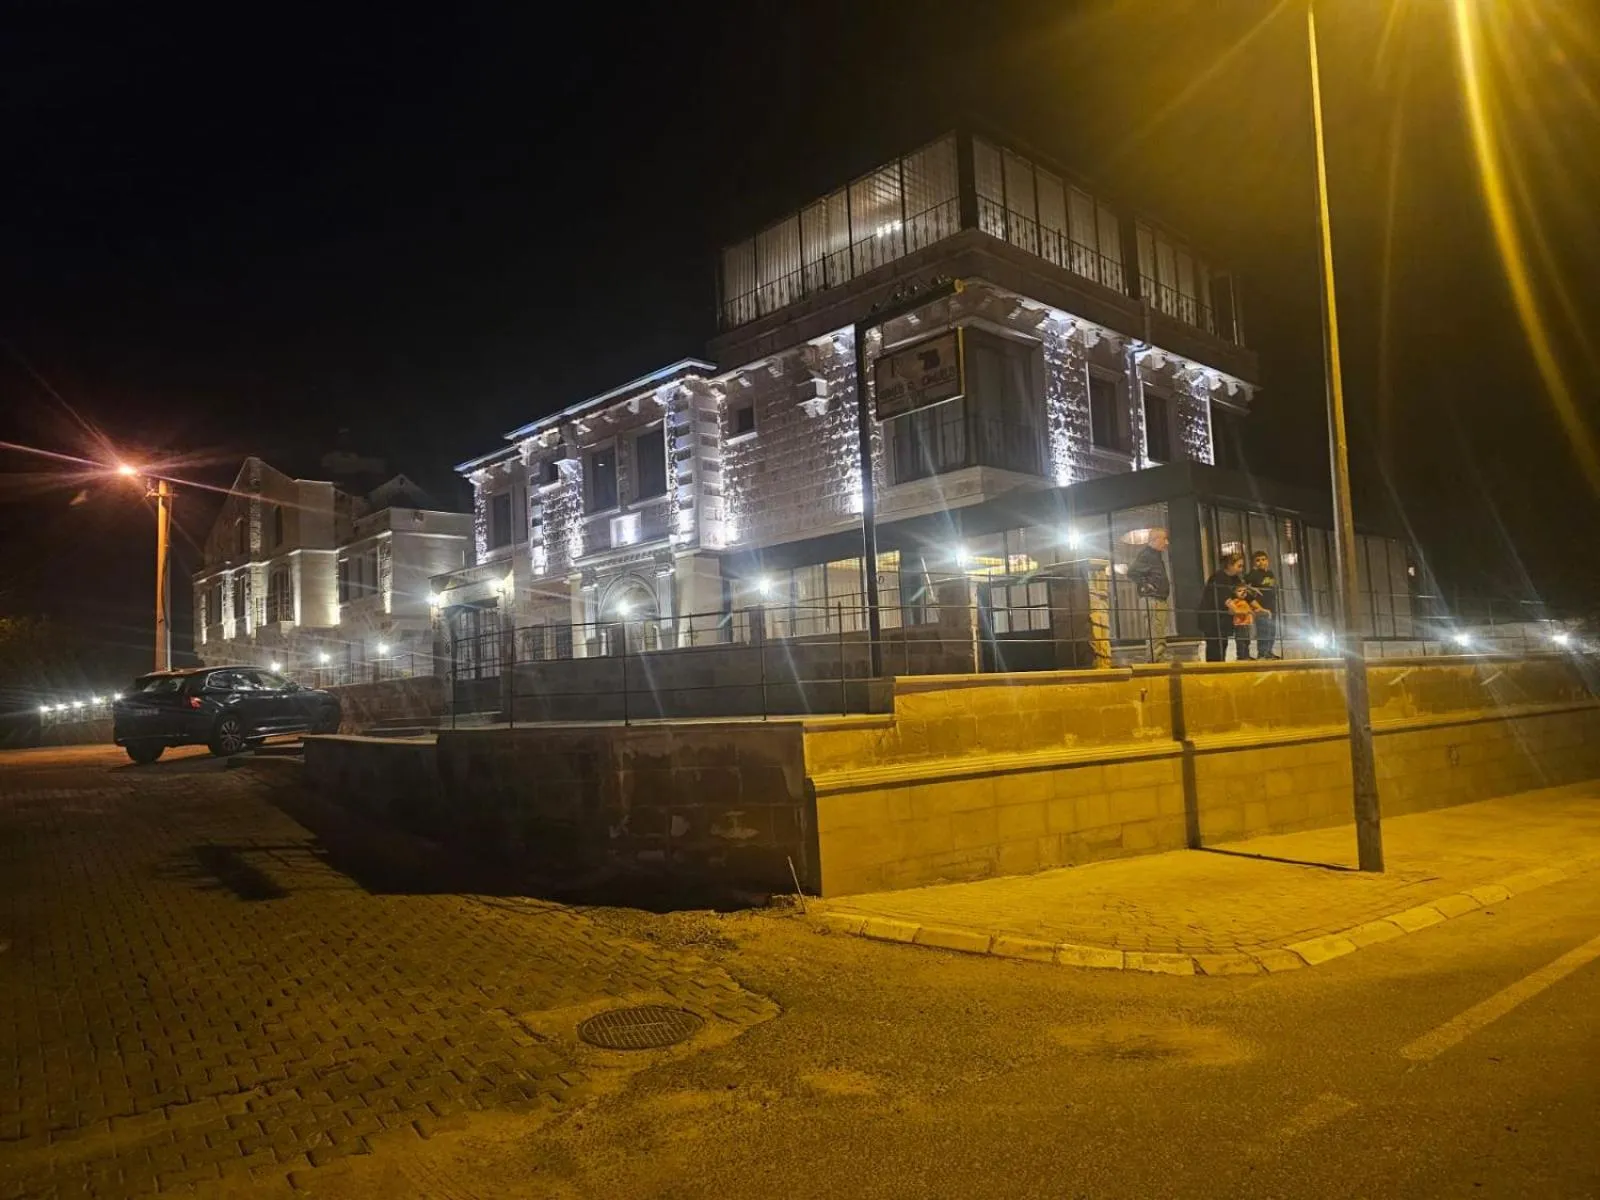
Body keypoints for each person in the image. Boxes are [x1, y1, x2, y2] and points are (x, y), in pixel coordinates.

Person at [1128, 527, 1171, 662]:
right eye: (1164, 539)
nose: (1167, 542)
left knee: (1157, 630)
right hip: (1153, 599)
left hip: (1157, 598)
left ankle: (1156, 659)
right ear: (1155, 539)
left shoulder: (1153, 556)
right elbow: (1132, 572)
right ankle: (1156, 661)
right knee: (1156, 631)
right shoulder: (1147, 555)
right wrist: (1146, 585)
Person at [1198, 553, 1245, 662]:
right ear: (1229, 565)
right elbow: (1224, 597)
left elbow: (1242, 593)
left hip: (1223, 620)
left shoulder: (1235, 579)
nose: (1241, 569)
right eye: (1239, 566)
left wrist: (1255, 605)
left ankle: (1219, 668)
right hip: (1212, 619)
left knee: (1223, 645)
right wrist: (1237, 610)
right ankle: (1213, 671)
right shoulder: (1218, 577)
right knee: (1215, 647)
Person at [1245, 550, 1280, 660]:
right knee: (1263, 630)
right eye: (1258, 560)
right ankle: (1262, 653)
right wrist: (1251, 588)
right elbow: (1242, 584)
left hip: (1272, 605)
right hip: (1261, 607)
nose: (1261, 562)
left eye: (1263, 559)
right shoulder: (1253, 574)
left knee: (1272, 629)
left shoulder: (1270, 573)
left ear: (1268, 561)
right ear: (1254, 563)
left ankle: (1269, 651)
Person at [1226, 583, 1269, 661]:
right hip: (1240, 624)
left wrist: (1256, 611)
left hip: (1247, 623)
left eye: (1245, 591)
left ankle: (1246, 655)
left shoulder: (1246, 602)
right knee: (1241, 641)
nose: (1243, 592)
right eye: (1239, 591)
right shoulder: (1235, 601)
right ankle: (1241, 656)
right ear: (1234, 593)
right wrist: (1244, 611)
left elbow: (1251, 611)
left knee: (1247, 641)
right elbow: (1231, 611)